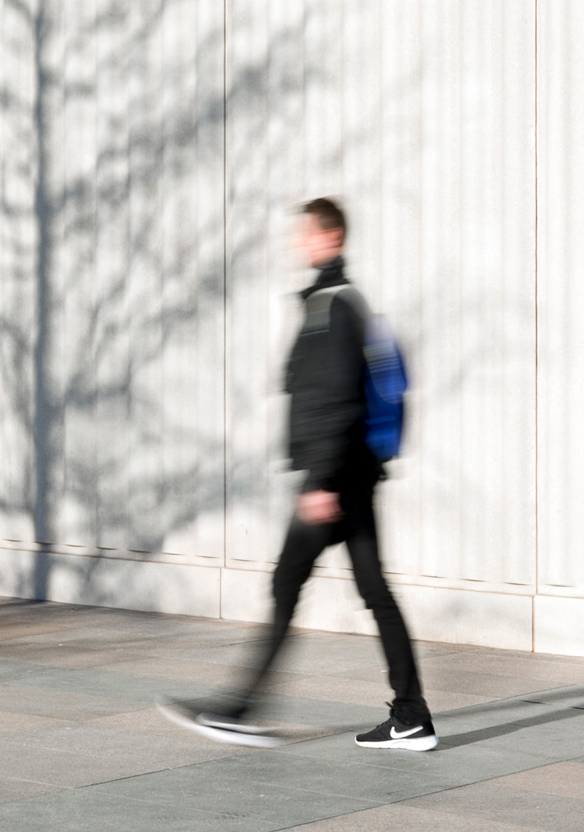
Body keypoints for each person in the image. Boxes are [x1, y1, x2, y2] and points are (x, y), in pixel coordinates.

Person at [161, 198, 435, 751]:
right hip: (353, 474)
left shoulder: (333, 306)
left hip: (335, 479)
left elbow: (335, 400)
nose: (298, 245)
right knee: (374, 590)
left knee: (288, 584)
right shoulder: (341, 302)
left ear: (330, 239)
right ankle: (411, 715)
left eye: (305, 236)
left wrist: (318, 482)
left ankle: (240, 710)